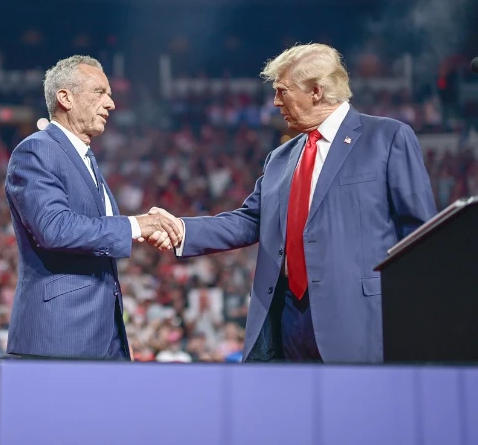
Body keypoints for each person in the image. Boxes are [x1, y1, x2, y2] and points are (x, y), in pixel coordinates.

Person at [150, 43, 436, 363]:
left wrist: (417, 318)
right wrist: (180, 229)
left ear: (316, 91)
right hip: (288, 320)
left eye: (282, 91)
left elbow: (421, 234)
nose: (275, 102)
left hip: (361, 318)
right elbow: (250, 220)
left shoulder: (387, 137)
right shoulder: (280, 158)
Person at [4, 55, 182, 360]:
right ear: (65, 98)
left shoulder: (85, 159)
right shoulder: (37, 150)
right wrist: (136, 225)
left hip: (103, 334)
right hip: (61, 334)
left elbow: (99, 236)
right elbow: (55, 229)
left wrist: (142, 231)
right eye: (100, 92)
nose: (111, 103)